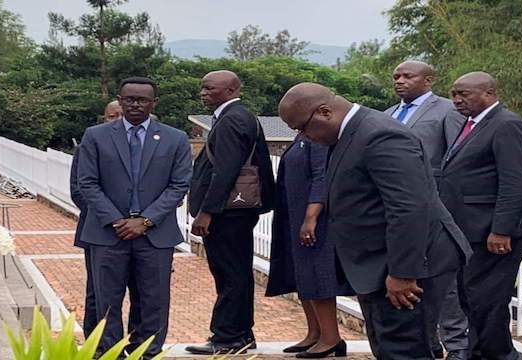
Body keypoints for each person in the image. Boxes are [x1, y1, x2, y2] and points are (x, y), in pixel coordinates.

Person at [278, 82, 472, 360]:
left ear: (324, 112)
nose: (303, 137)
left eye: (301, 128)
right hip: (379, 267)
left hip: (410, 269)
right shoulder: (348, 134)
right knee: (392, 347)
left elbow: (409, 208)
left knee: (403, 350)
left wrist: (403, 273)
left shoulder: (380, 135)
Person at [77, 77, 193, 358]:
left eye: (142, 100)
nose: (135, 105)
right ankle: (109, 353)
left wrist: (146, 220)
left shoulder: (174, 138)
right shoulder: (96, 135)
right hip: (107, 234)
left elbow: (179, 185)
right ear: (120, 99)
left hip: (154, 235)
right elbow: (87, 183)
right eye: (129, 99)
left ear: (154, 103)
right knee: (106, 302)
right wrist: (117, 220)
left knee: (153, 301)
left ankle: (147, 352)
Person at [440, 72, 522, 360]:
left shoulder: (507, 125)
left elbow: (516, 182)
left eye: (464, 94)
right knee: (473, 300)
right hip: (470, 231)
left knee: (487, 303)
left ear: (489, 93)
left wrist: (502, 229)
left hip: (493, 234)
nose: (456, 100)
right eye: (454, 94)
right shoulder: (472, 124)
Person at [186, 70, 275, 355]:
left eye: (209, 87)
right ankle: (241, 334)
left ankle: (227, 337)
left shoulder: (233, 119)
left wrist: (206, 212)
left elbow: (225, 170)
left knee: (229, 273)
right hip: (234, 212)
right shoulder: (236, 117)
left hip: (228, 213)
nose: (203, 92)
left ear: (231, 89)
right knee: (236, 272)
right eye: (202, 87)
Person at [385, 60, 467, 359]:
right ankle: (428, 343)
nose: (400, 81)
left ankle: (457, 346)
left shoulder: (447, 110)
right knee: (415, 281)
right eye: (396, 76)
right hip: (401, 212)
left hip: (438, 207)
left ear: (428, 80)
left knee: (445, 285)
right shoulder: (387, 114)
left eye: (408, 76)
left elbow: (457, 158)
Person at [266, 133, 354, 358]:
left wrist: (311, 217)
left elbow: (320, 177)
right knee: (303, 275)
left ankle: (331, 337)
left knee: (318, 276)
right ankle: (314, 333)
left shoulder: (319, 140)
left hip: (315, 221)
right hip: (293, 216)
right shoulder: (301, 137)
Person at [70, 100, 123, 338]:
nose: (117, 119)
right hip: (98, 230)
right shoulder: (89, 145)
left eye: (120, 115)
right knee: (97, 291)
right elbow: (79, 190)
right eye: (111, 116)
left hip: (139, 230)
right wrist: (110, 218)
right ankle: (94, 343)